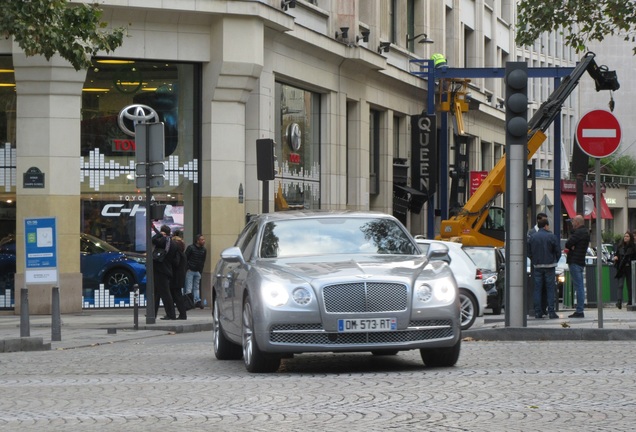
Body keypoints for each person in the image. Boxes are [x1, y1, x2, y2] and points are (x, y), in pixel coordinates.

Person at [528, 219, 560, 319]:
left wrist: (534, 260)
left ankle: (538, 312)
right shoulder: (551, 236)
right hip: (550, 266)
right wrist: (555, 260)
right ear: (546, 226)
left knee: (537, 289)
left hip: (537, 266)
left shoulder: (533, 237)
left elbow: (528, 251)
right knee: (550, 289)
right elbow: (558, 251)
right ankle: (551, 311)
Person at [564, 215, 590, 318]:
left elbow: (568, 244)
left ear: (577, 223)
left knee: (578, 286)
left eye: (573, 221)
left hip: (574, 261)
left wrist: (572, 246)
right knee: (579, 286)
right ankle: (579, 309)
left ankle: (579, 310)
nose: (572, 223)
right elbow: (571, 245)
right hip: (580, 261)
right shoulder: (585, 232)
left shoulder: (578, 233)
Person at [152, 224, 179, 320]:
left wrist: (159, 234)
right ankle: (152, 313)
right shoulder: (173, 243)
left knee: (165, 294)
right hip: (167, 270)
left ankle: (171, 314)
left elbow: (153, 240)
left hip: (160, 270)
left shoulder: (163, 241)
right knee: (157, 293)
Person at [527, 212, 549, 315]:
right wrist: (533, 259)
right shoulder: (531, 232)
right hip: (535, 265)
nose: (546, 223)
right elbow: (528, 249)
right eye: (544, 220)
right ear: (539, 220)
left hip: (546, 264)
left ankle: (543, 308)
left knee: (545, 288)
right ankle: (537, 310)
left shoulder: (548, 233)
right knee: (537, 288)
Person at [613, 231, 636, 309]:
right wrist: (616, 258)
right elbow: (616, 255)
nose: (625, 237)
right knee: (620, 285)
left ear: (630, 238)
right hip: (621, 268)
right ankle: (619, 301)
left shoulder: (633, 247)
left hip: (630, 268)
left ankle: (630, 301)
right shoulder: (620, 246)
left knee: (630, 285)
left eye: (627, 236)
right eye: (625, 236)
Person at [170, 229, 189, 320]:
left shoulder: (177, 253)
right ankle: (181, 313)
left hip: (176, 277)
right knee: (177, 295)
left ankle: (182, 314)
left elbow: (175, 263)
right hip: (180, 276)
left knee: (177, 296)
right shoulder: (182, 253)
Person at [185, 234, 207, 309]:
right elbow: (185, 258)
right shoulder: (191, 248)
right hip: (190, 270)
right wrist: (187, 268)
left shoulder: (204, 250)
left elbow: (203, 261)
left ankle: (196, 301)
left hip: (197, 270)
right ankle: (189, 302)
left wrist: (200, 270)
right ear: (197, 241)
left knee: (196, 287)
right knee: (189, 287)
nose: (204, 241)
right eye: (202, 240)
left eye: (203, 240)